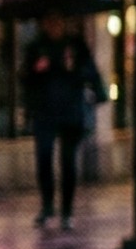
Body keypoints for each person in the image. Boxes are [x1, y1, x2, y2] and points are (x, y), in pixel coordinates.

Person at [20, 14, 105, 227]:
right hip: (44, 111)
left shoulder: (76, 45)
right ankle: (47, 206)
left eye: (58, 21)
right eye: (49, 21)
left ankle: (67, 211)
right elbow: (23, 77)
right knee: (44, 159)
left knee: (68, 162)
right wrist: (36, 69)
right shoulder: (36, 47)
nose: (54, 25)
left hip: (70, 111)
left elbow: (90, 72)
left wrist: (73, 68)